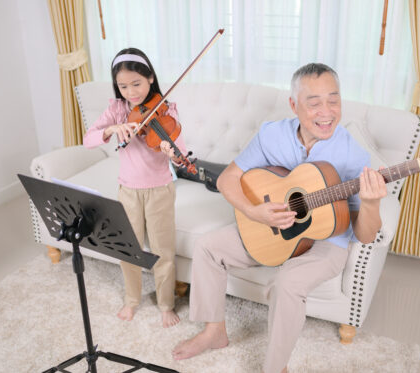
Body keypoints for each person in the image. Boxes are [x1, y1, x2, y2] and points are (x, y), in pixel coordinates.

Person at [172, 63, 387, 372]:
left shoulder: (354, 156)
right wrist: (253, 211)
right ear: (293, 105)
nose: (326, 111)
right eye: (314, 102)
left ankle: (275, 367)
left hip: (327, 242)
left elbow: (365, 236)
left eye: (334, 99)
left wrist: (371, 204)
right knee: (208, 247)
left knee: (287, 283)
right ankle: (214, 331)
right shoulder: (272, 135)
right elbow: (227, 180)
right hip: (270, 228)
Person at [83, 48, 185, 328]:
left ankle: (166, 304)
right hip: (127, 191)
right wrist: (111, 129)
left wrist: (170, 150)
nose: (131, 92)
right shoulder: (117, 110)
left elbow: (181, 152)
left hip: (160, 190)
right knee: (127, 248)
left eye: (136, 84)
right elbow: (88, 139)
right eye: (123, 86)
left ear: (150, 78)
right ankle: (131, 300)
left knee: (163, 250)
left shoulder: (166, 109)